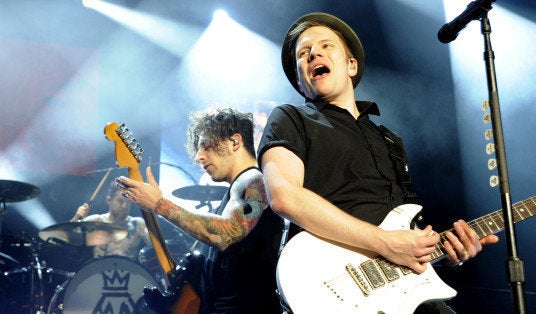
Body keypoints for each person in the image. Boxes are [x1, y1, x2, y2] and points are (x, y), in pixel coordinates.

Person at [257, 12, 500, 313]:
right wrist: (384, 242)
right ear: (299, 80)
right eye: (303, 54)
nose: (314, 54)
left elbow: (408, 227)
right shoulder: (290, 118)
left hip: (399, 290)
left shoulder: (389, 140)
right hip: (326, 282)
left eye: (325, 46)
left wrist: (450, 251)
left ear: (351, 65)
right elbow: (284, 196)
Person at [115, 108, 284, 313]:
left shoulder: (254, 180)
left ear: (235, 142)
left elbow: (226, 233)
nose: (198, 157)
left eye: (206, 146)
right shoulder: (237, 190)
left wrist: (160, 204)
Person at [71, 180, 150, 260]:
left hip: (129, 270)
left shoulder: (138, 224)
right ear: (109, 200)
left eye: (128, 202)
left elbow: (155, 246)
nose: (124, 206)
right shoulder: (96, 221)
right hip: (99, 270)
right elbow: (67, 237)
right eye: (120, 201)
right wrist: (77, 217)